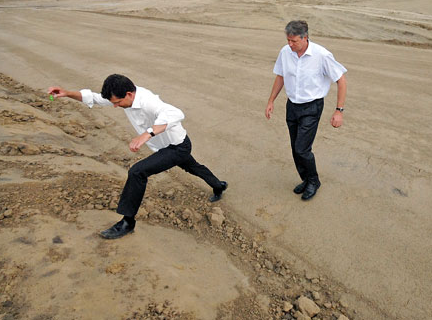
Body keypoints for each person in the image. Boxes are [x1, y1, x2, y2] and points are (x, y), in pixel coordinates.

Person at [48, 74, 227, 239]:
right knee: (193, 167)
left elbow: (176, 113)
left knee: (137, 172)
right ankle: (219, 185)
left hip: (177, 147)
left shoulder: (148, 101)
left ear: (129, 94)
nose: (115, 106)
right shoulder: (123, 96)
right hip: (167, 147)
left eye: (117, 102)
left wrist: (147, 134)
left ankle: (127, 222)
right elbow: (95, 98)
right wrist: (66, 93)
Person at [265, 20, 347, 200]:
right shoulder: (285, 52)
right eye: (288, 40)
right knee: (296, 148)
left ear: (305, 38)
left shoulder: (321, 55)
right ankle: (306, 179)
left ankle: (314, 181)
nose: (290, 44)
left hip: (312, 107)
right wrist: (271, 100)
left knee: (302, 149)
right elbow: (281, 76)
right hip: (292, 105)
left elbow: (341, 80)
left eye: (294, 41)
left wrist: (338, 110)